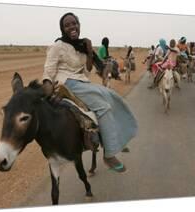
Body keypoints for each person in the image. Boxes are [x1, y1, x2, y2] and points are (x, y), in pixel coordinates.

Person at [42, 12, 138, 172]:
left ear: (79, 25)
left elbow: (87, 69)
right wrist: (46, 88)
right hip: (67, 83)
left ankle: (118, 139)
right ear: (62, 29)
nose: (72, 27)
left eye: (74, 23)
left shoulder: (82, 44)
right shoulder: (57, 46)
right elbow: (49, 70)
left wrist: (88, 50)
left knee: (114, 97)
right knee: (103, 107)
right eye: (67, 25)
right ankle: (109, 155)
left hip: (82, 81)